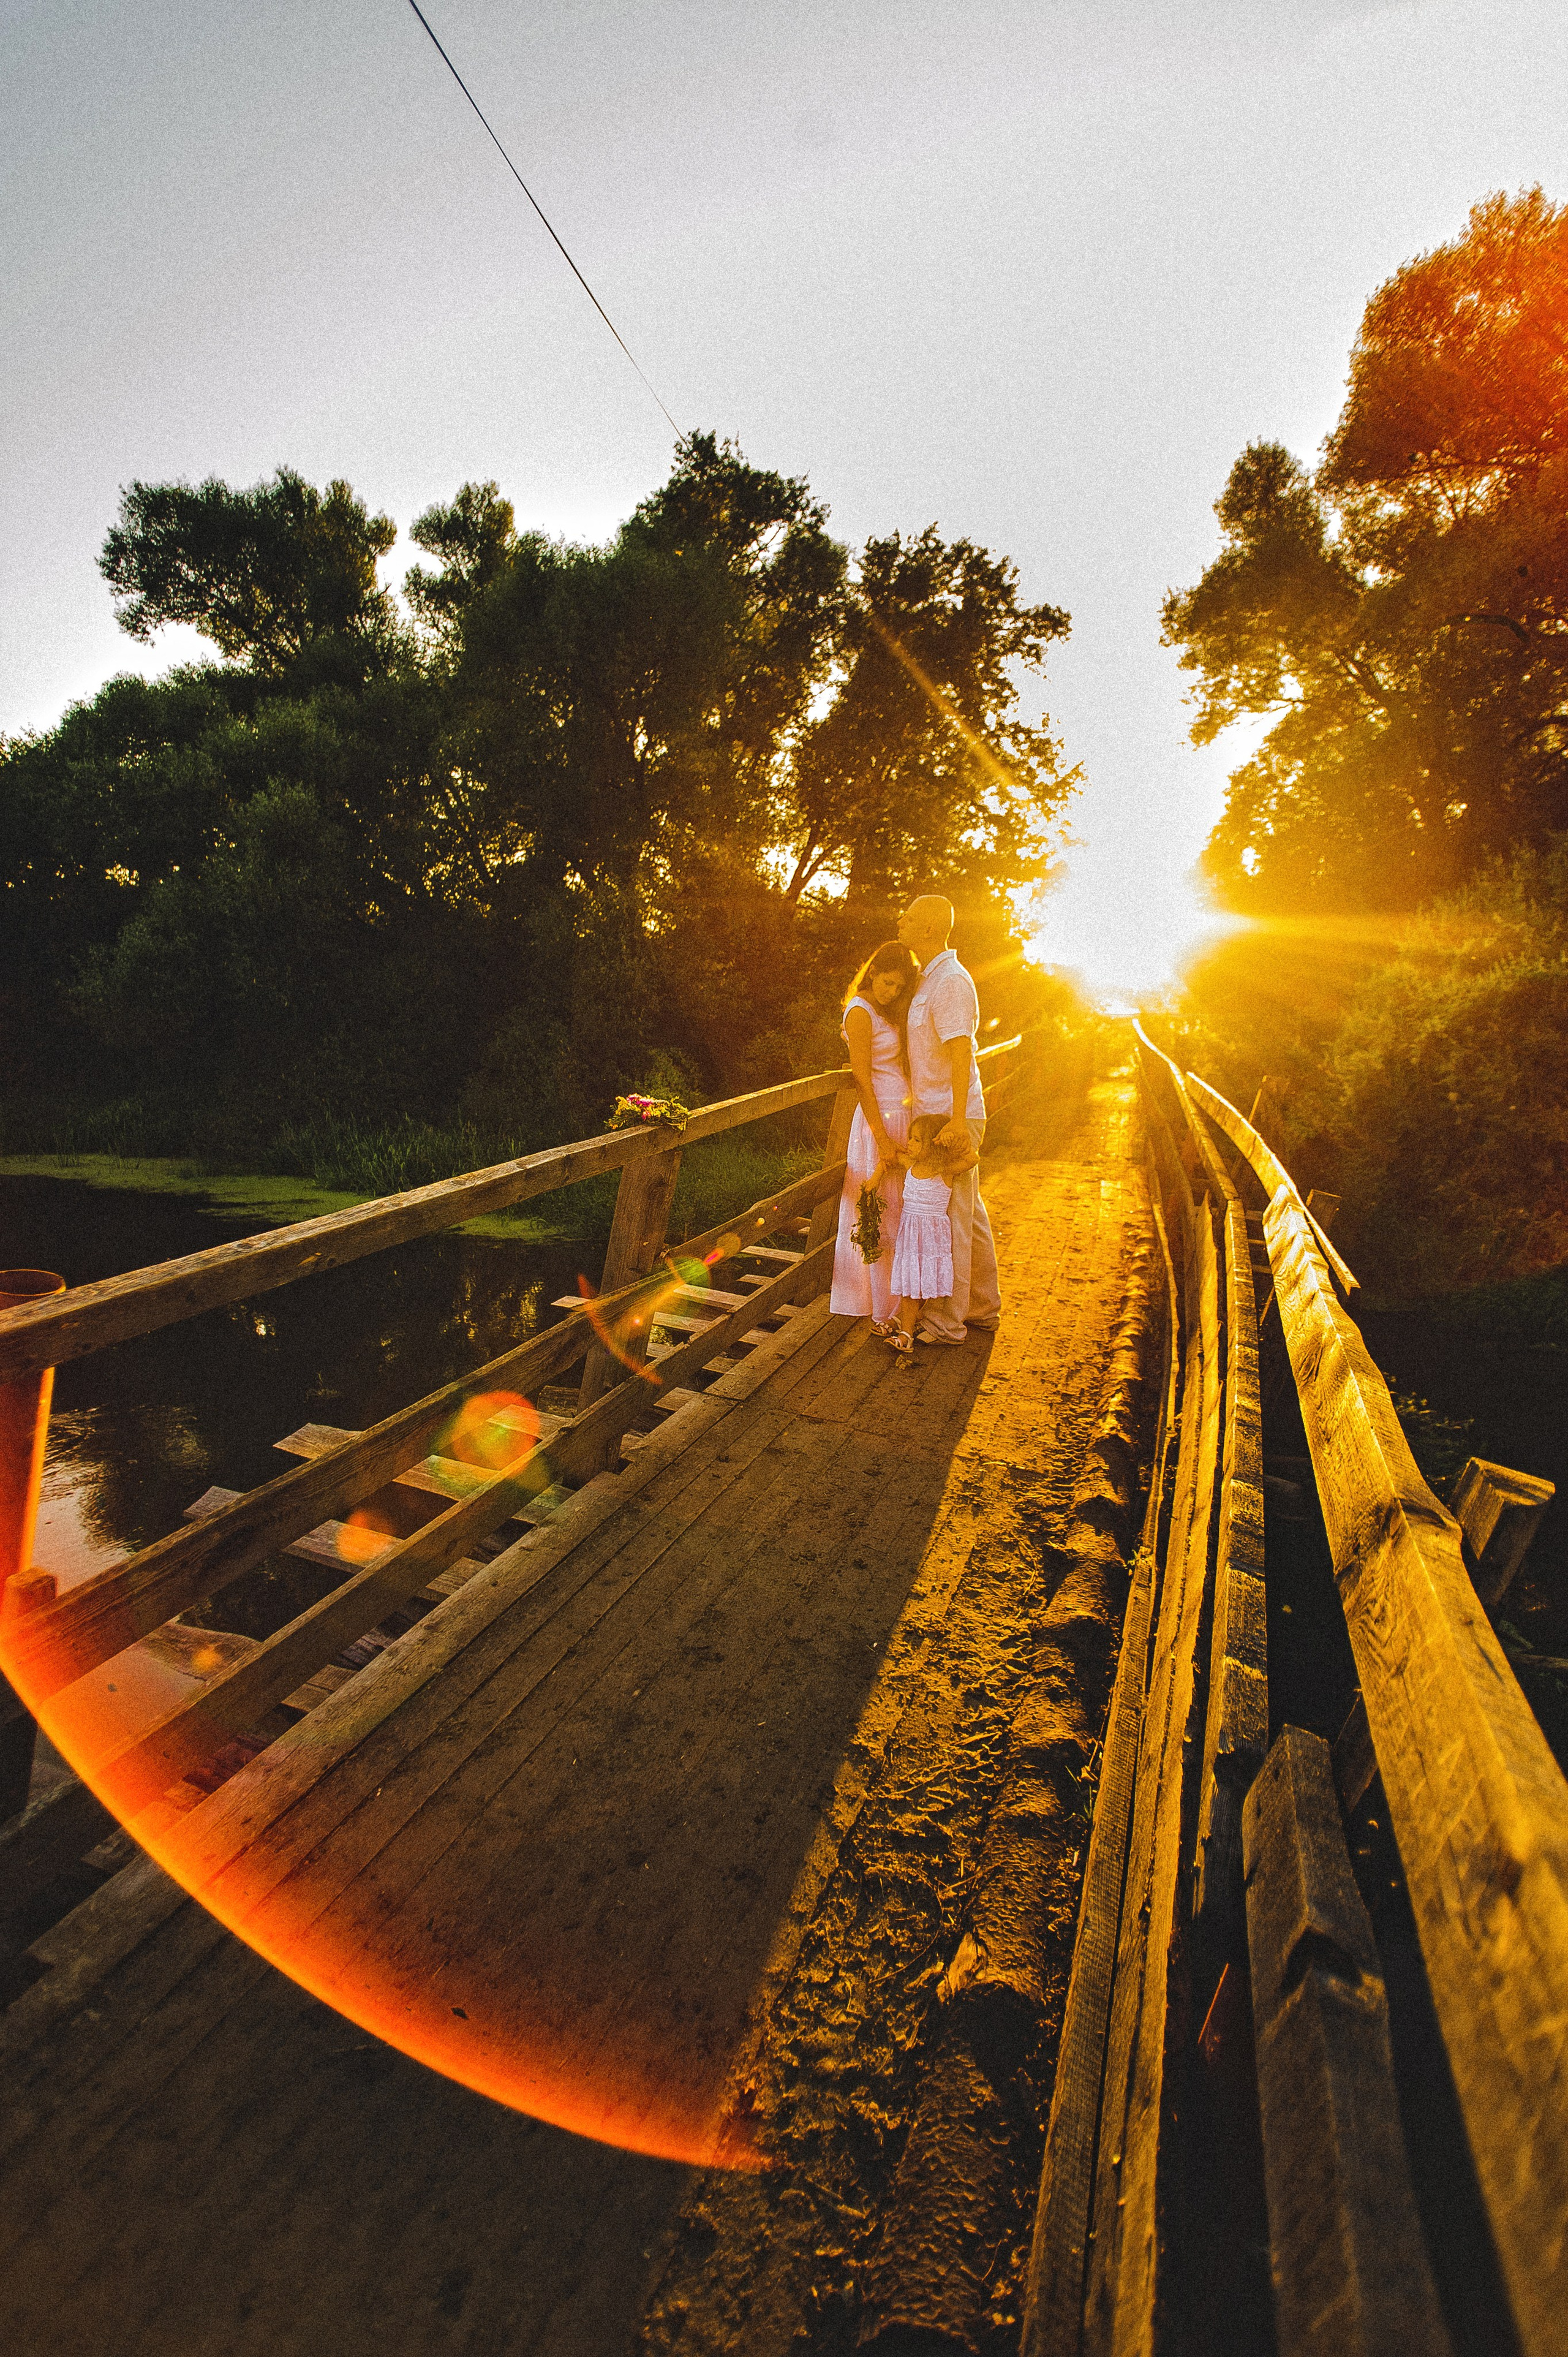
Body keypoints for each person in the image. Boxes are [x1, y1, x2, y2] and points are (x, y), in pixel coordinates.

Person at [895, 893, 1001, 1342]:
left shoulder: (951, 982)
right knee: (969, 1211)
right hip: (935, 1112)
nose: (900, 921)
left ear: (928, 929)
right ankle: (982, 1306)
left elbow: (963, 1054)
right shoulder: (926, 978)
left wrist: (958, 1120)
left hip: (951, 1117)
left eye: (910, 917)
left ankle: (946, 1322)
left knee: (952, 1217)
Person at [828, 940, 921, 1321]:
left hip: (902, 1117)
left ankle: (904, 1305)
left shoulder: (886, 1010)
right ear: (872, 973)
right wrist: (882, 1139)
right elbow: (862, 1080)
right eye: (887, 982)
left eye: (899, 987)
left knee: (902, 1212)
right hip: (879, 1120)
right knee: (880, 1215)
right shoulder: (860, 1012)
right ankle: (883, 1306)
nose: (892, 991)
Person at [877, 1114, 978, 1358]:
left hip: (932, 1240)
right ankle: (905, 1325)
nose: (909, 1143)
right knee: (913, 1284)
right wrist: (872, 1182)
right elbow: (887, 1160)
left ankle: (906, 1332)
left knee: (919, 1285)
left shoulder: (944, 1170)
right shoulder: (910, 1165)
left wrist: (947, 1139)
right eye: (910, 1138)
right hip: (911, 1237)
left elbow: (973, 1158)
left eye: (917, 1140)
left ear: (932, 1144)